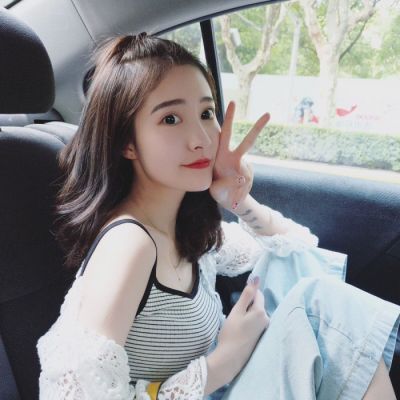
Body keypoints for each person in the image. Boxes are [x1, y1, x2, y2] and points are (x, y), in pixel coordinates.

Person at [36, 33, 399, 400]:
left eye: (207, 114)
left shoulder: (187, 231)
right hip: (214, 383)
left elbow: (298, 252)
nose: (202, 139)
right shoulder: (129, 244)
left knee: (321, 302)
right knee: (325, 311)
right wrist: (221, 363)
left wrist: (238, 201)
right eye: (171, 119)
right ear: (127, 143)